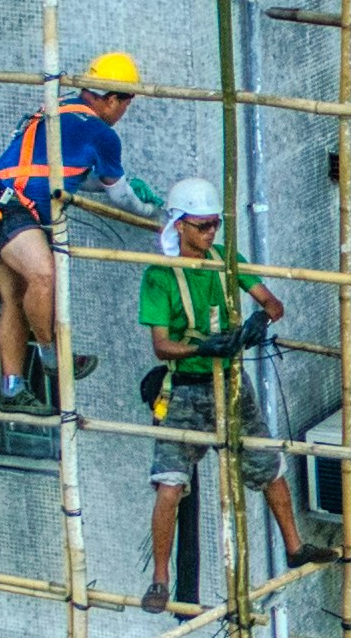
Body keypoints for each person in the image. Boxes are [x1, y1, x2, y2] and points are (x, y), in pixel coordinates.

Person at [140, 179, 332, 611]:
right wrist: (203, 347)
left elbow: (271, 301)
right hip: (185, 390)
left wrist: (258, 322)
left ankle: (294, 547)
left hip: (230, 383)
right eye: (203, 226)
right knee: (169, 484)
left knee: (268, 465)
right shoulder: (158, 276)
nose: (210, 234)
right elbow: (161, 345)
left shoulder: (226, 260)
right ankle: (159, 580)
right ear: (180, 225)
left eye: (214, 225)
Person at [0, 54, 158, 408]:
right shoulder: (101, 133)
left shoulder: (58, 109)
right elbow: (121, 195)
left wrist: (112, 186)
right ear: (112, 99)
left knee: (14, 297)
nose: (126, 110)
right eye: (128, 101)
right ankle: (52, 356)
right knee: (44, 276)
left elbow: (70, 176)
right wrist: (149, 209)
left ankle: (12, 387)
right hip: (11, 209)